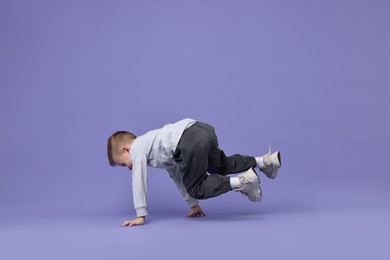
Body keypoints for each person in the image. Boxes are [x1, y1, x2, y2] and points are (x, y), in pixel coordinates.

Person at [107, 118, 281, 227]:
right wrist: (193, 205)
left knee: (197, 187)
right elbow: (177, 175)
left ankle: (242, 182)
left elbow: (138, 180)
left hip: (187, 142)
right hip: (201, 129)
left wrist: (140, 214)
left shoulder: (137, 148)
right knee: (220, 165)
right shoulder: (156, 145)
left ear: (126, 150)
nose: (129, 168)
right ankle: (265, 161)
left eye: (123, 164)